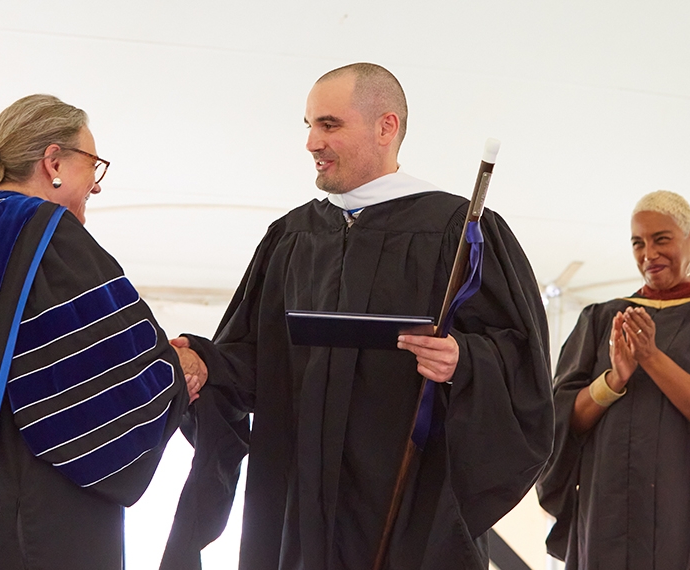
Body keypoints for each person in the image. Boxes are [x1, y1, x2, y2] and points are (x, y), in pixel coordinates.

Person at [162, 63, 553, 570]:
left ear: (385, 127)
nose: (311, 142)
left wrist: (465, 359)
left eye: (329, 124)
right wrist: (205, 362)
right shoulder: (292, 237)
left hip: (408, 506)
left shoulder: (458, 231)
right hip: (298, 508)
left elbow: (522, 360)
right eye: (308, 126)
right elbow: (257, 359)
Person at [0, 94, 206, 570]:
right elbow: (109, 384)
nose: (96, 188)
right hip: (34, 531)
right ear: (53, 161)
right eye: (93, 166)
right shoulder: (44, 236)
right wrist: (174, 370)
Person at [537, 190, 690, 569]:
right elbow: (562, 421)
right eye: (638, 243)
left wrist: (651, 358)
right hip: (604, 512)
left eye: (661, 239)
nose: (648, 254)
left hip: (682, 519)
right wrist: (613, 380)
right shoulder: (600, 319)